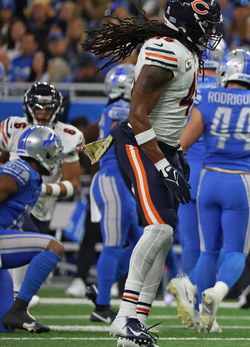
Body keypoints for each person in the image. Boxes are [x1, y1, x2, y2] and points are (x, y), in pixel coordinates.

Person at [83, 0, 223, 347]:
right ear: (188, 22)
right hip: (140, 143)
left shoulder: (183, 48)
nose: (209, 32)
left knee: (165, 231)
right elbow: (137, 116)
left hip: (163, 147)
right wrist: (164, 164)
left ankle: (138, 320)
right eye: (205, 24)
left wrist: (176, 155)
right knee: (158, 227)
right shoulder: (167, 50)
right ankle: (125, 315)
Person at [180, 49, 250, 333]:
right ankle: (220, 292)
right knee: (237, 250)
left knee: (206, 250)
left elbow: (185, 142)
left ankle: (203, 312)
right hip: (240, 181)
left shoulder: (208, 97)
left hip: (209, 180)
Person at [0, 82, 84, 299]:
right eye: (38, 108)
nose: (43, 113)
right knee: (30, 248)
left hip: (42, 208)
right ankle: (18, 300)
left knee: (38, 251)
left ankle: (15, 301)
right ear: (29, 108)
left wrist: (41, 189)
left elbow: (73, 183)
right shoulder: (12, 129)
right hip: (13, 205)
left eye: (48, 108)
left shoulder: (68, 135)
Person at [167, 38, 227, 329]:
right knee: (212, 247)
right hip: (213, 174)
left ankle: (189, 296)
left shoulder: (186, 84)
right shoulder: (225, 92)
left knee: (192, 243)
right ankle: (200, 304)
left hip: (185, 172)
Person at [86, 64, 143, 323]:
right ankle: (101, 307)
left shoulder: (114, 107)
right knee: (112, 244)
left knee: (143, 242)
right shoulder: (121, 109)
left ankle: (101, 286)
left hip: (119, 182)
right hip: (114, 180)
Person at [0, 126, 64, 333]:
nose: (56, 158)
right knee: (52, 247)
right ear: (41, 152)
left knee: (4, 325)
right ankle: (20, 309)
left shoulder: (31, 175)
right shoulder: (21, 169)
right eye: (54, 152)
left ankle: (14, 313)